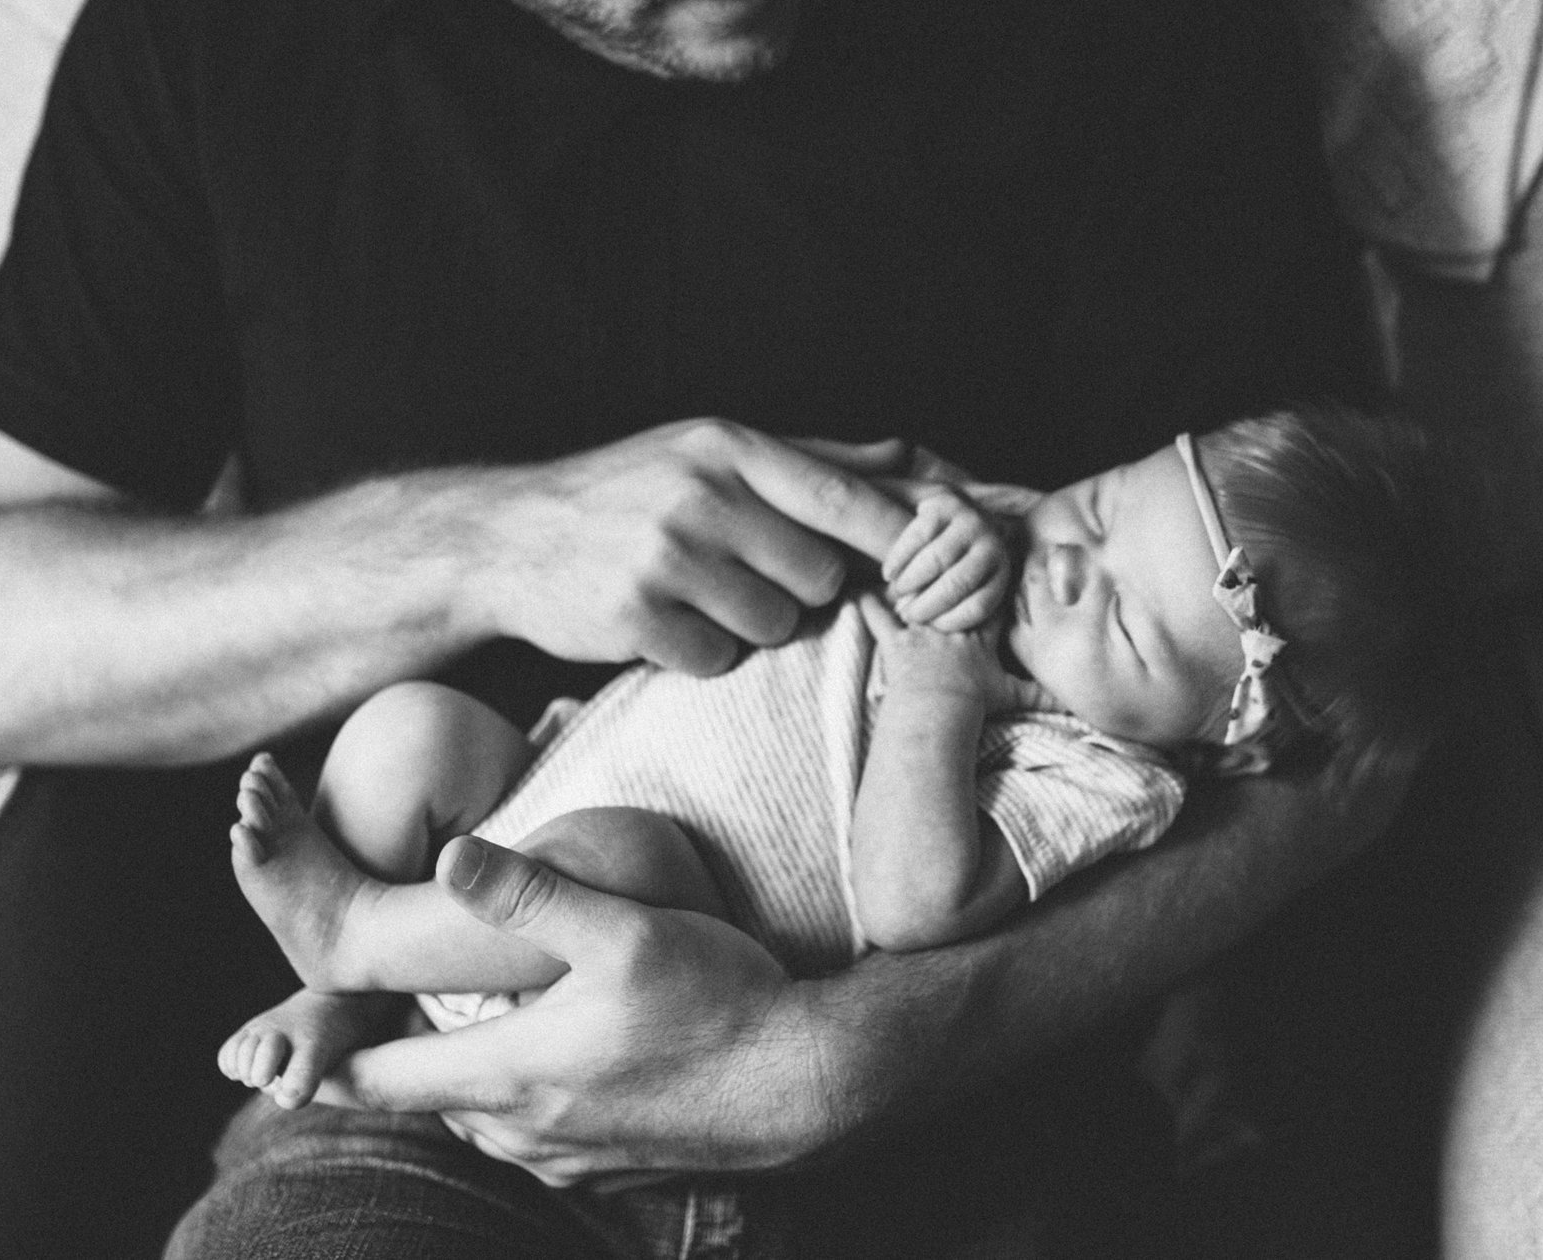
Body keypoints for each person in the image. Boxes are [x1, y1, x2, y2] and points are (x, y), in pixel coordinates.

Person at [0, 0, 1413, 1245]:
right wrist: (478, 545)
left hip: (977, 1115)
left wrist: (848, 1055)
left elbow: (1356, 714)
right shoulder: (227, 1)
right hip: (423, 1101)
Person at [217, 410, 1474, 1113]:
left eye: (1129, 624)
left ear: (1222, 734)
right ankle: (346, 987)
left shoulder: (1107, 772)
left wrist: (935, 691)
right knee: (412, 730)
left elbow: (915, 900)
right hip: (533, 772)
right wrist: (936, 525)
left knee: (617, 854)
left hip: (624, 966)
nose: (1067, 565)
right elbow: (874, 499)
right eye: (1098, 505)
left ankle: (361, 932)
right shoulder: (1007, 538)